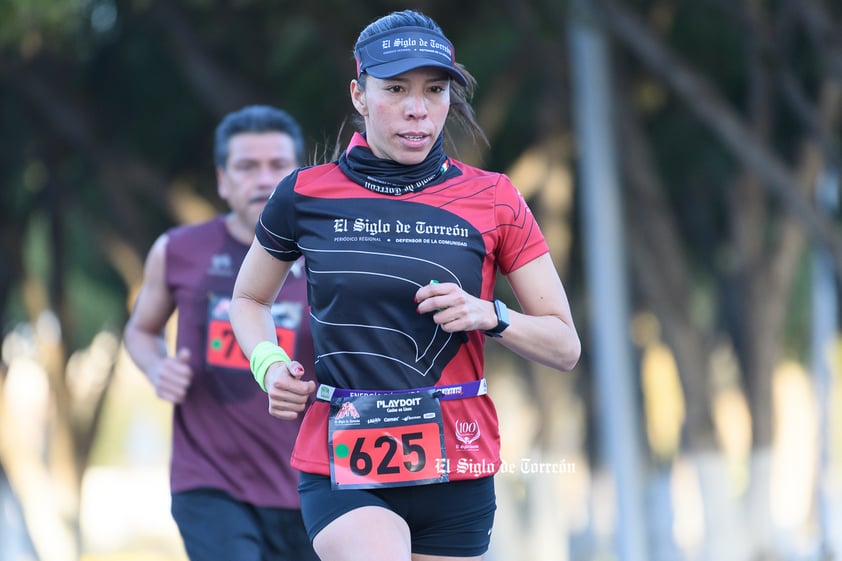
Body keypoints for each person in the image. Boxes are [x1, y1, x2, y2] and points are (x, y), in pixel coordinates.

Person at [230, 10, 581, 561]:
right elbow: (249, 299)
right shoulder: (302, 195)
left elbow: (565, 345)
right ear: (359, 94)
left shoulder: (495, 198)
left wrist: (491, 314)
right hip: (342, 461)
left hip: (458, 463)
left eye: (434, 90)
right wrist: (268, 365)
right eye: (396, 89)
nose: (418, 109)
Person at [123, 105, 319, 561]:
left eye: (278, 166)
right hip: (211, 483)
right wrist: (157, 368)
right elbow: (140, 330)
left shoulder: (332, 257)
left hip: (315, 482)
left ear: (300, 175)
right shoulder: (177, 251)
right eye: (247, 167)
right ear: (222, 179)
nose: (263, 179)